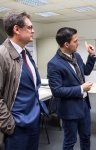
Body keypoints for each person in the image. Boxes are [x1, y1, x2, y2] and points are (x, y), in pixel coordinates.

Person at [0, 11, 47, 150]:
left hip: (33, 122)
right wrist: (9, 125)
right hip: (16, 127)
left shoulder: (26, 53)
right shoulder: (2, 55)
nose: (33, 31)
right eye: (30, 27)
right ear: (16, 29)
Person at [47, 27, 96, 150]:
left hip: (84, 105)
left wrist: (91, 56)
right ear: (66, 44)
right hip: (70, 109)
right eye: (75, 41)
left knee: (86, 137)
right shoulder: (54, 64)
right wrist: (81, 88)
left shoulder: (77, 56)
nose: (78, 43)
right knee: (70, 141)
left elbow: (86, 71)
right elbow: (57, 91)